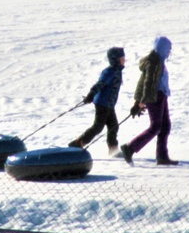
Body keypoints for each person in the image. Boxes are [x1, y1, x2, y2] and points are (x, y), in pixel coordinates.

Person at [121, 36, 178, 166]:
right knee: (156, 127)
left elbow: (142, 82)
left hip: (160, 95)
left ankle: (162, 157)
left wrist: (138, 101)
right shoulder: (155, 62)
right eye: (168, 49)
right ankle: (129, 148)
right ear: (162, 48)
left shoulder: (158, 60)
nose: (170, 52)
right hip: (154, 96)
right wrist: (142, 101)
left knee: (165, 126)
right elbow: (148, 83)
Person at [68, 46, 125, 155]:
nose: (124, 60)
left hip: (109, 104)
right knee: (98, 127)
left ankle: (113, 150)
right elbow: (100, 84)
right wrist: (91, 94)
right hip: (102, 103)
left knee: (113, 126)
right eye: (121, 58)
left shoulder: (117, 71)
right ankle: (77, 143)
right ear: (115, 59)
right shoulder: (110, 71)